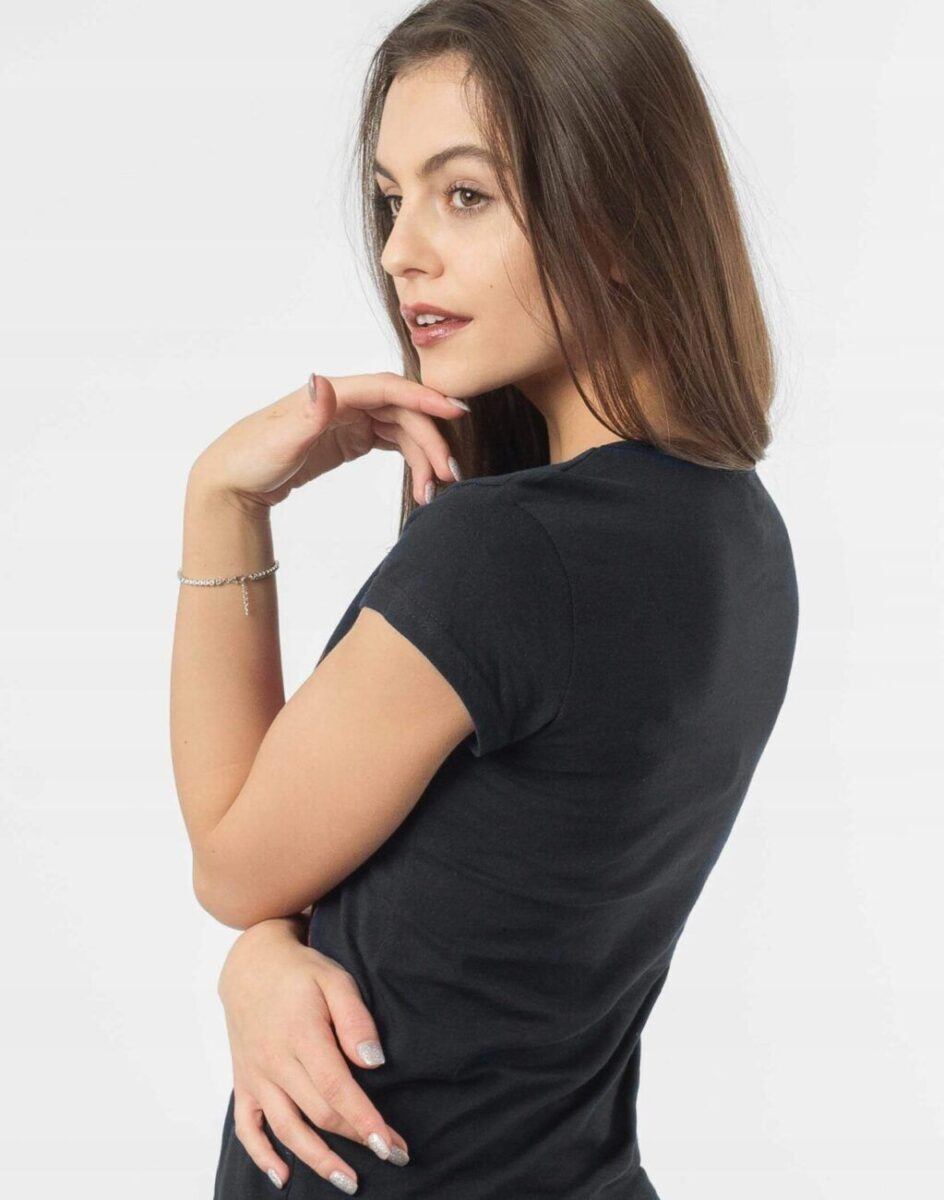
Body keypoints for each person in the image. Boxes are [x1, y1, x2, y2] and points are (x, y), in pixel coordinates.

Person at [169, 1, 799, 1196]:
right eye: (389, 199)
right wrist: (271, 948)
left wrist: (222, 501)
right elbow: (479, 906)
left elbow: (234, 866)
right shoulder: (737, 532)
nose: (402, 251)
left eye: (464, 194)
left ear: (618, 219)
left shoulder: (510, 553)